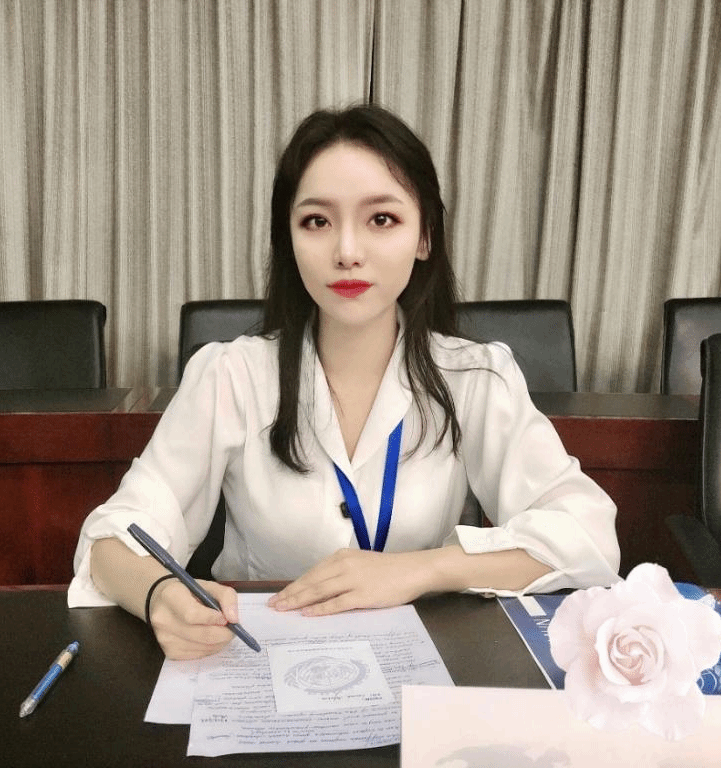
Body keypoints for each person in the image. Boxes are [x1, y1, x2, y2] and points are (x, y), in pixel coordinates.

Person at [68, 103, 620, 660]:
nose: (347, 253)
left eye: (381, 219)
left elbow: (588, 533)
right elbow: (113, 540)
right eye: (317, 221)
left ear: (424, 237)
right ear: (288, 239)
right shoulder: (230, 375)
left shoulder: (475, 378)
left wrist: (421, 570)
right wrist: (160, 594)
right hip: (258, 660)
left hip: (415, 667)